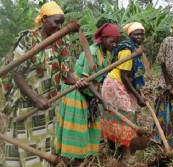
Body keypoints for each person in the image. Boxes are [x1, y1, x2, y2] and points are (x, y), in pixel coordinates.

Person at [3, 1, 79, 166]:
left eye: (62, 23)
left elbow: (66, 75)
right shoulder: (29, 39)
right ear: (44, 19)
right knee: (21, 146)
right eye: (56, 22)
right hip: (25, 104)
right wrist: (35, 99)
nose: (60, 27)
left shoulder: (61, 41)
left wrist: (79, 82)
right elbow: (16, 73)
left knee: (42, 146)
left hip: (46, 106)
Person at [54, 23, 120, 163]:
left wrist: (101, 97)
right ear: (103, 38)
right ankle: (69, 160)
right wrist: (101, 99)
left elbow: (101, 78)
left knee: (90, 127)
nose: (114, 44)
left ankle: (81, 159)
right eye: (112, 41)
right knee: (75, 129)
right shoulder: (91, 53)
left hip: (91, 93)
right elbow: (86, 81)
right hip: (76, 90)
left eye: (116, 41)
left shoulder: (107, 54)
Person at [100, 22, 146, 160]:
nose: (139, 36)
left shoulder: (133, 48)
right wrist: (138, 97)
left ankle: (115, 149)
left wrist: (138, 93)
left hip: (120, 83)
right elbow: (124, 77)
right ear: (130, 35)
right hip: (115, 84)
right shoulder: (127, 50)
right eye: (136, 34)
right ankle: (125, 154)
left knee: (119, 114)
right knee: (126, 116)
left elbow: (133, 76)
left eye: (142, 34)